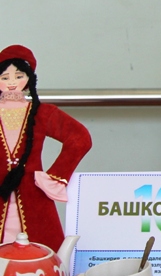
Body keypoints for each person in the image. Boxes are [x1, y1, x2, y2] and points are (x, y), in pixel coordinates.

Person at [0, 45, 92, 251]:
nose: (12, 83)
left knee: (44, 253)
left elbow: (80, 138)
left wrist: (55, 176)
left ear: (29, 79)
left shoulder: (42, 113)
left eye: (18, 76)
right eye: (5, 77)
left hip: (33, 198)